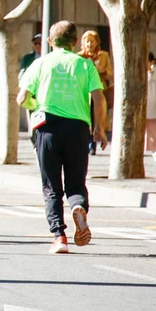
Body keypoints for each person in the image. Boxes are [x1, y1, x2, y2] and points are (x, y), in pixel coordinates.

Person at [17, 20, 107, 254]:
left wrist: (35, 103)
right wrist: (100, 128)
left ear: (49, 42)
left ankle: (59, 237)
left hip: (47, 128)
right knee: (76, 183)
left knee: (51, 187)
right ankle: (78, 206)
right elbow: (99, 98)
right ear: (75, 42)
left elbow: (21, 98)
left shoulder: (40, 64)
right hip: (78, 129)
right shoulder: (85, 65)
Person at [80, 30, 113, 154]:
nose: (89, 44)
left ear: (97, 42)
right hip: (84, 90)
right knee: (86, 115)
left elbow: (110, 73)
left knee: (97, 115)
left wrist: (102, 70)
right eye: (87, 41)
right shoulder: (79, 56)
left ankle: (93, 143)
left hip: (99, 89)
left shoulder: (103, 55)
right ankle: (86, 140)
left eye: (92, 41)